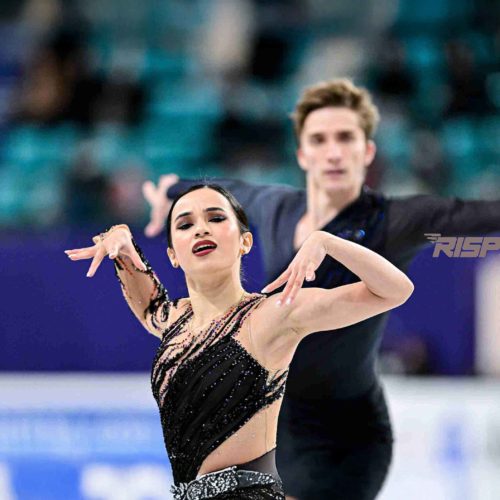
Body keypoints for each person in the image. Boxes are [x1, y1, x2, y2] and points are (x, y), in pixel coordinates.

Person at [142, 79, 500, 499]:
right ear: (302, 153)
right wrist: (167, 193)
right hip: (275, 428)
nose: (333, 152)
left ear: (367, 151)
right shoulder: (275, 206)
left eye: (345, 138)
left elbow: (477, 218)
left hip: (345, 438)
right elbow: (208, 189)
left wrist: (329, 243)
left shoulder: (394, 220)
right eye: (319, 139)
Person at [65, 183, 414, 500]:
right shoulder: (174, 322)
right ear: (172, 255)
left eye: (216, 218)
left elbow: (394, 291)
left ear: (245, 241)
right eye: (185, 224)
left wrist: (328, 242)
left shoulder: (271, 316)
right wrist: (121, 240)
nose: (201, 228)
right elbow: (149, 305)